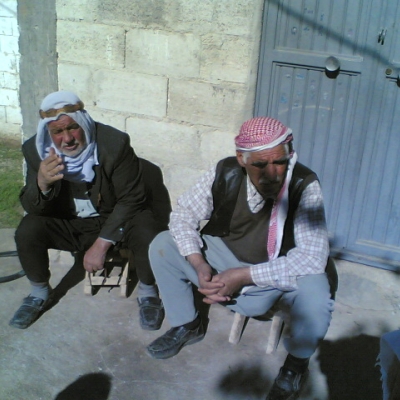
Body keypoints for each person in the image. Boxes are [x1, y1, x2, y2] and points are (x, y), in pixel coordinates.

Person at [146, 117, 334, 400]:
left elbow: (311, 256)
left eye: (280, 162)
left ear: (289, 155)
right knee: (163, 244)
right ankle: (187, 324)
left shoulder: (304, 184)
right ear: (241, 159)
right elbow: (183, 215)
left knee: (318, 291)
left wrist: (244, 277)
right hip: (224, 254)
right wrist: (198, 263)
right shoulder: (225, 171)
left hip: (273, 266)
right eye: (260, 164)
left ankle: (295, 365)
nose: (272, 174)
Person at [9, 90, 167, 331]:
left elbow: (133, 198)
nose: (67, 139)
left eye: (72, 128)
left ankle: (148, 293)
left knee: (147, 228)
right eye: (57, 132)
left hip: (111, 219)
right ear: (48, 133)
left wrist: (101, 245)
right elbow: (32, 208)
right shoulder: (35, 150)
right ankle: (39, 293)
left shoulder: (114, 144)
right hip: (70, 221)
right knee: (28, 229)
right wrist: (41, 183)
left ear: (83, 122)